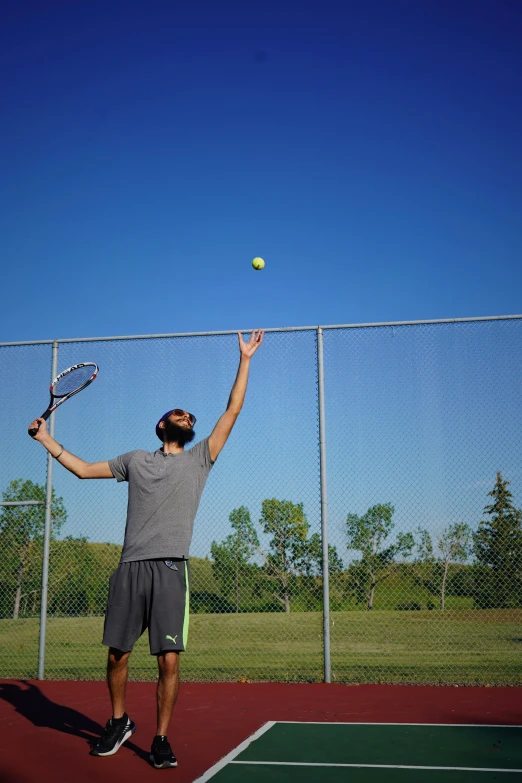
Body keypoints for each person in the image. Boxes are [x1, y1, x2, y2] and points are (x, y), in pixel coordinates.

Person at [28, 330, 264, 769]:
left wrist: (245, 359)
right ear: (161, 425)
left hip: (171, 570)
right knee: (117, 654)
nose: (187, 417)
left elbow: (233, 409)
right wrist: (46, 441)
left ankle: (160, 738)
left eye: (191, 417)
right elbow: (82, 470)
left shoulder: (201, 460)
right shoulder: (135, 460)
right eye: (178, 413)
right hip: (131, 567)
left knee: (168, 661)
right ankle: (119, 721)